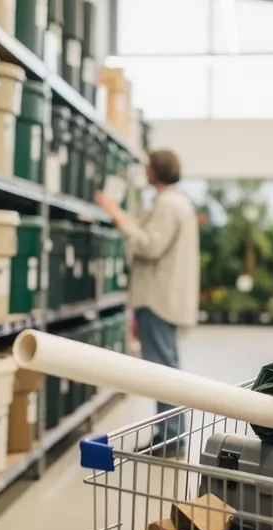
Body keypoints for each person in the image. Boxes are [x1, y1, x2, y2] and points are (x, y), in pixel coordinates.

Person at [95, 149, 199, 456]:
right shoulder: (174, 203)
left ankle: (170, 438)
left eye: (148, 166)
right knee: (167, 368)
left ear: (156, 170)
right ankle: (170, 435)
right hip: (164, 298)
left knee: (162, 370)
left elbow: (151, 245)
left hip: (158, 300)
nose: (145, 171)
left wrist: (117, 216)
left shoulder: (168, 205)